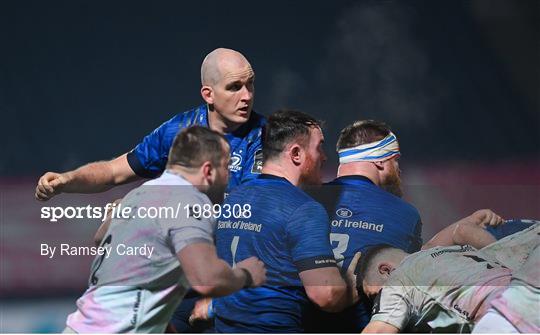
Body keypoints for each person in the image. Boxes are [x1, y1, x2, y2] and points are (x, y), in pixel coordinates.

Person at [64, 126, 266, 333]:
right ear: (208, 171)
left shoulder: (137, 195)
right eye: (226, 167)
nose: (228, 177)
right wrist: (246, 275)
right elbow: (207, 280)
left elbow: (101, 240)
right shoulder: (189, 201)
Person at [35, 47, 265, 200]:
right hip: (189, 258)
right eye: (234, 87)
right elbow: (113, 172)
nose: (247, 95)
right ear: (208, 95)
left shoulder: (270, 137)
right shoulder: (179, 130)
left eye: (250, 84)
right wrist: (66, 180)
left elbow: (253, 208)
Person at [212, 110, 358, 332]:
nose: (325, 157)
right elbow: (325, 295)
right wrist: (354, 282)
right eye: (319, 147)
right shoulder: (303, 208)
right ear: (296, 154)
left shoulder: (233, 198)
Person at [304, 120, 422, 332]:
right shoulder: (406, 214)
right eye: (396, 161)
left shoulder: (304, 199)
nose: (399, 170)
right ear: (381, 161)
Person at [358, 222, 540, 333]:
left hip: (507, 319)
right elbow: (460, 230)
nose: (378, 303)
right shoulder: (457, 252)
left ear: (386, 270)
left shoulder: (399, 280)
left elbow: (379, 331)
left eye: (376, 296)